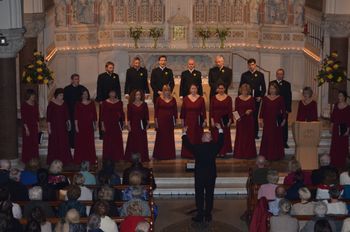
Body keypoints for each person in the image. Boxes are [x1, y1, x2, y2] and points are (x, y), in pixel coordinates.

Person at [182, 123, 224, 223]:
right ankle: (208, 214)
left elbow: (188, 145)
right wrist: (220, 129)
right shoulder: (214, 147)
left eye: (202, 136)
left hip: (200, 175)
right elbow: (221, 142)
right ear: (210, 139)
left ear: (203, 138)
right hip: (211, 175)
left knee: (199, 195)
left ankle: (200, 215)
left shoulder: (198, 148)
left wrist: (184, 133)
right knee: (210, 195)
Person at [259, 82, 286, 161]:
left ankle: (276, 155)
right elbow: (262, 110)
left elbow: (283, 110)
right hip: (267, 121)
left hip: (276, 121)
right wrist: (260, 119)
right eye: (270, 88)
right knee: (267, 137)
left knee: (276, 137)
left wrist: (284, 119)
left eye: (273, 88)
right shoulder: (265, 98)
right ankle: (266, 155)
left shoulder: (280, 98)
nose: (272, 90)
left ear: (276, 89)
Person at [239, 58, 266, 139]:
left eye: (253, 64)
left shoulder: (260, 75)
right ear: (248, 65)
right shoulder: (244, 75)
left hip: (256, 99)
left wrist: (261, 96)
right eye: (250, 65)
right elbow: (241, 87)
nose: (251, 66)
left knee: (254, 116)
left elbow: (264, 88)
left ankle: (255, 133)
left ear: (255, 65)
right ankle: (246, 133)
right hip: (246, 98)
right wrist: (240, 97)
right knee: (246, 116)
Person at [47, 88, 72, 164]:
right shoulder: (51, 103)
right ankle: (54, 159)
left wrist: (69, 124)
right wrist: (49, 128)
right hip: (54, 126)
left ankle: (64, 159)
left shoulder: (64, 103)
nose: (62, 97)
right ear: (57, 95)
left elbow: (67, 115)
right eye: (60, 95)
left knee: (63, 142)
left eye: (63, 95)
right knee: (54, 143)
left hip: (63, 127)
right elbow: (48, 117)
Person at [180, 84, 206, 159]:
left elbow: (203, 111)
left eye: (195, 88)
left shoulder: (201, 99)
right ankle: (187, 153)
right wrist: (182, 121)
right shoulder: (185, 98)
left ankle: (198, 152)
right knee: (188, 137)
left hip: (198, 121)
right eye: (192, 88)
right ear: (190, 89)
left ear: (197, 89)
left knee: (197, 136)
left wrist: (204, 120)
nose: (193, 90)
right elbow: (183, 111)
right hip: (188, 121)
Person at [153, 85, 177, 160]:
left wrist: (175, 121)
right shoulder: (159, 99)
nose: (166, 92)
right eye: (165, 90)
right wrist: (156, 122)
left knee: (169, 138)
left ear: (170, 91)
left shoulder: (173, 99)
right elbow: (156, 111)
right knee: (161, 137)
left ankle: (169, 155)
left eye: (168, 90)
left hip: (170, 122)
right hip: (161, 121)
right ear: (163, 91)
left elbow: (175, 112)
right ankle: (159, 155)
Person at [63, 73, 88, 148]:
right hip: (70, 112)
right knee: (72, 129)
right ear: (72, 80)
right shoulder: (67, 89)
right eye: (75, 79)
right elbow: (65, 102)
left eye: (78, 79)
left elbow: (87, 98)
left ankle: (80, 144)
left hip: (81, 113)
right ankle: (72, 145)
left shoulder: (82, 88)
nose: (77, 80)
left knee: (80, 128)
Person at [125, 90, 150, 162]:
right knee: (133, 141)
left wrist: (148, 124)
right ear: (134, 96)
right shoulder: (130, 105)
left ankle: (143, 157)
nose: (138, 96)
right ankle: (132, 157)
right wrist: (128, 126)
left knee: (142, 141)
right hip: (133, 125)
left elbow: (147, 115)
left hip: (142, 125)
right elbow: (129, 117)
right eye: (136, 95)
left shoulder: (144, 104)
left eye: (139, 95)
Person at [74, 89, 97, 164]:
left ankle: (90, 158)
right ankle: (80, 158)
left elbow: (94, 115)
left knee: (89, 142)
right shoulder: (78, 103)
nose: (85, 95)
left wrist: (95, 125)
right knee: (80, 142)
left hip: (89, 125)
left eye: (86, 93)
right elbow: (76, 116)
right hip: (81, 125)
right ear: (81, 95)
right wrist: (76, 126)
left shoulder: (92, 103)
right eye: (84, 94)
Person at [100, 89, 125, 161]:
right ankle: (108, 156)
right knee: (108, 140)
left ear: (115, 93)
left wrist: (123, 122)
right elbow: (102, 115)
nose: (112, 94)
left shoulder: (120, 102)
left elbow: (122, 113)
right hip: (108, 123)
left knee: (117, 140)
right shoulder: (104, 103)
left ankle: (118, 156)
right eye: (111, 92)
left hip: (117, 124)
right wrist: (102, 125)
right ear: (109, 94)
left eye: (113, 92)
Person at [270, 68, 292, 148]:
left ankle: (284, 142)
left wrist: (288, 109)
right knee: (274, 125)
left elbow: (289, 97)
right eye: (278, 74)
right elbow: (269, 95)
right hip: (274, 109)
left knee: (284, 125)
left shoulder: (287, 84)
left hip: (284, 109)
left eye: (281, 74)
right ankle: (275, 141)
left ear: (283, 75)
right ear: (276, 75)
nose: (280, 75)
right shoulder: (272, 83)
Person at [234, 83, 257, 159]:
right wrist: (237, 118)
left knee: (249, 137)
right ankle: (240, 154)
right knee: (240, 137)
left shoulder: (252, 98)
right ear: (241, 90)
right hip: (240, 120)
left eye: (246, 90)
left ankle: (249, 154)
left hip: (249, 120)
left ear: (248, 90)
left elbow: (254, 109)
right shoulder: (237, 98)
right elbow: (235, 110)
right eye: (243, 90)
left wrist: (250, 110)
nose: (245, 91)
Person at [210, 83, 233, 158]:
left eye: (222, 88)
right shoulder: (213, 98)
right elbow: (211, 110)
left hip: (224, 120)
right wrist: (212, 120)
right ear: (217, 89)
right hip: (216, 119)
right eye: (219, 88)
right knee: (216, 136)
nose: (221, 90)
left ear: (225, 89)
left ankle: (223, 151)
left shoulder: (228, 98)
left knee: (224, 136)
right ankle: (216, 152)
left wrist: (230, 120)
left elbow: (230, 110)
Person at [329, 91, 350, 168]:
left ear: (344, 97)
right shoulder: (336, 105)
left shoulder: (348, 107)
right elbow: (333, 118)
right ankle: (334, 161)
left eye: (341, 96)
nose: (339, 97)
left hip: (344, 127)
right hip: (336, 128)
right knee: (335, 144)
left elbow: (349, 120)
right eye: (339, 96)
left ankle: (341, 162)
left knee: (342, 145)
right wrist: (331, 127)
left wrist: (348, 130)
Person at [21, 89, 40, 163]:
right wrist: (26, 129)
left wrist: (38, 126)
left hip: (34, 126)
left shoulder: (35, 104)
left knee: (35, 143)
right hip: (27, 126)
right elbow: (24, 118)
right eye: (32, 95)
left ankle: (34, 158)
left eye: (34, 95)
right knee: (27, 143)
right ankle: (27, 158)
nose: (33, 97)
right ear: (28, 95)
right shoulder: (24, 105)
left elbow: (37, 116)